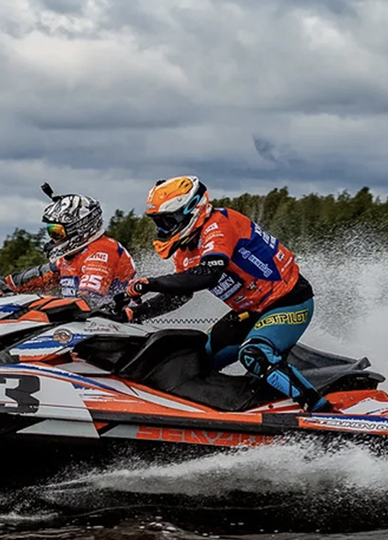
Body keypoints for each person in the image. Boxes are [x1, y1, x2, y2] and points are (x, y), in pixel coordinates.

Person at [123, 175, 327, 412]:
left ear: (191, 210)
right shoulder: (185, 249)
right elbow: (180, 294)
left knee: (255, 354)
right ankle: (209, 414)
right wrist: (133, 313)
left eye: (168, 221)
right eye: (159, 223)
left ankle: (321, 411)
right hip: (250, 312)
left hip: (289, 301)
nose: (162, 229)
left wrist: (151, 283)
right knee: (192, 360)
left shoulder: (219, 224)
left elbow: (207, 275)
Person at [0, 184, 136, 308]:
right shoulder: (74, 256)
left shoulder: (101, 253)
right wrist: (0, 284)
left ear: (81, 228)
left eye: (57, 232)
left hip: (114, 329)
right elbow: (39, 277)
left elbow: (86, 302)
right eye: (50, 231)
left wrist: (30, 306)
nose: (53, 239)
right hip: (88, 326)